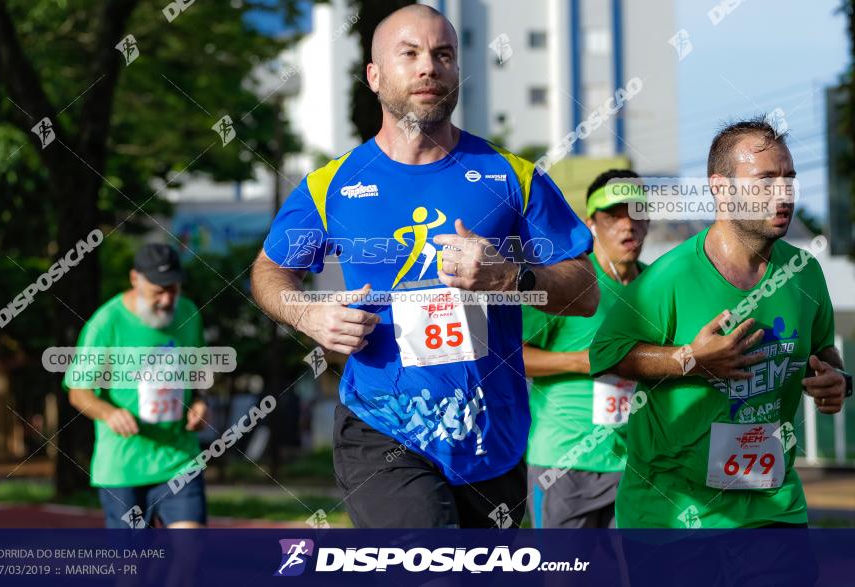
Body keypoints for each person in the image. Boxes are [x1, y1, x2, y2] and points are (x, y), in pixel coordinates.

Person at [251, 4, 598, 528]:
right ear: (374, 75)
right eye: (409, 54)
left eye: (443, 55)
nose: (428, 67)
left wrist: (511, 276)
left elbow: (587, 290)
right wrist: (306, 313)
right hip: (383, 425)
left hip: (490, 434)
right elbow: (270, 272)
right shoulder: (333, 184)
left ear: (458, 70)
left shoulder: (511, 176)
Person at [589, 117, 852, 530]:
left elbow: (823, 351)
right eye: (765, 180)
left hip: (772, 506)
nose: (783, 193)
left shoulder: (804, 273)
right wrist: (689, 359)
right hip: (674, 514)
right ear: (722, 188)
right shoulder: (668, 278)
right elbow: (606, 354)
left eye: (789, 178)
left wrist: (837, 377)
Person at [523, 170, 649, 528]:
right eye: (613, 215)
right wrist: (581, 362)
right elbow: (510, 358)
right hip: (565, 462)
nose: (628, 225)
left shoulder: (660, 287)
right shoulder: (568, 284)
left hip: (637, 463)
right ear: (589, 222)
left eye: (637, 213)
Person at [65, 244, 210, 528]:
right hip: (123, 467)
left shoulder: (189, 312)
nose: (168, 299)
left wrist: (201, 402)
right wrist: (108, 413)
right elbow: (78, 392)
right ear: (135, 279)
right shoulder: (107, 323)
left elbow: (198, 374)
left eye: (174, 289)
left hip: (178, 459)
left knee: (191, 554)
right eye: (159, 290)